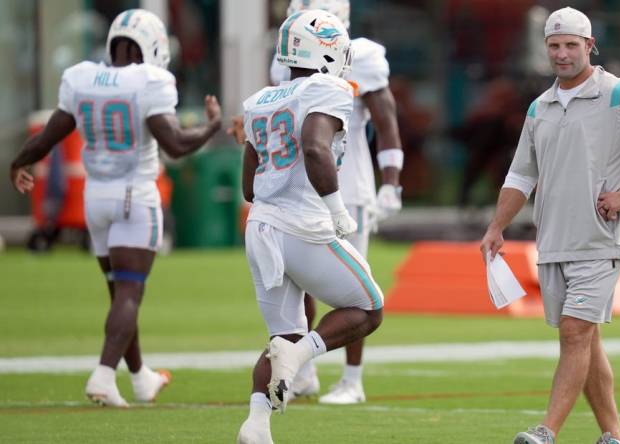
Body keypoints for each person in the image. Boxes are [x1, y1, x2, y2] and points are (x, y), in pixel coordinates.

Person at [479, 7, 620, 444]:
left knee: (575, 332)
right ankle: (615, 436)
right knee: (585, 342)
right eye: (554, 45)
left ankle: (545, 432)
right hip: (551, 242)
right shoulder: (539, 107)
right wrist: (497, 226)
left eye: (572, 44)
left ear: (589, 46)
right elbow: (521, 175)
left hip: (601, 241)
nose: (562, 53)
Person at [10, 9, 222, 407]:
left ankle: (140, 378)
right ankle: (105, 374)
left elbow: (51, 134)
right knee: (129, 292)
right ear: (154, 47)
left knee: (121, 293)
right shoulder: (150, 81)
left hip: (96, 199)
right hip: (135, 196)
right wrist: (211, 126)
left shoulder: (82, 77)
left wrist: (18, 161)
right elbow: (175, 145)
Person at [235, 0, 403, 405]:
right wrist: (335, 208)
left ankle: (261, 419)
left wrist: (390, 183)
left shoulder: (263, 96)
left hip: (265, 221)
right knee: (364, 303)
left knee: (283, 334)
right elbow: (314, 147)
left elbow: (249, 184)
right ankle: (304, 363)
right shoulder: (328, 84)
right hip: (316, 210)